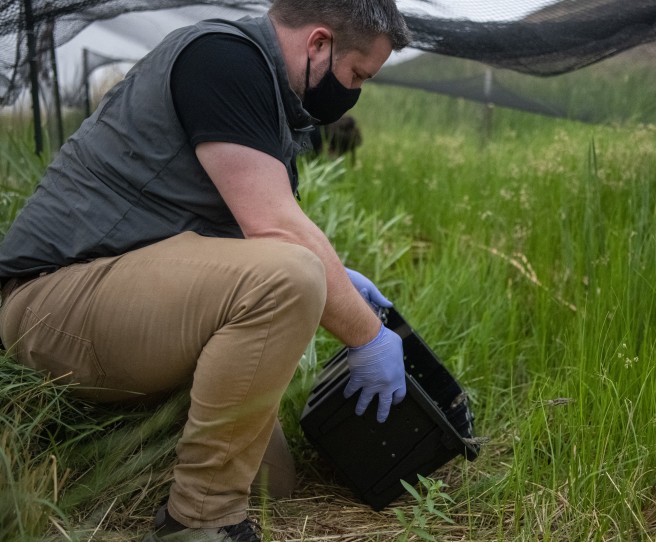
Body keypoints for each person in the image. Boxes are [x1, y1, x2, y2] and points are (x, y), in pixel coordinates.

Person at [0, 1, 411, 541]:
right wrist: (367, 335)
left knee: (270, 482)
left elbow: (248, 228)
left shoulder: (269, 96)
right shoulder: (222, 59)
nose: (353, 91)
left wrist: (337, 274)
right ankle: (200, 522)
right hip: (49, 302)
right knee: (289, 276)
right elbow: (278, 234)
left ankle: (123, 449)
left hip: (134, 299)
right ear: (318, 44)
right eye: (357, 74)